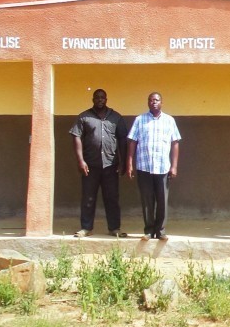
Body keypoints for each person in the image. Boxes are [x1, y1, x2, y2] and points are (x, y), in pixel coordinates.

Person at [69, 89, 128, 238]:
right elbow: (76, 137)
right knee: (88, 198)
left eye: (102, 97)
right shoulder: (84, 117)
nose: (100, 100)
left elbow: (122, 139)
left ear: (106, 99)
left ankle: (114, 228)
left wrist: (123, 162)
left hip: (111, 165)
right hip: (90, 165)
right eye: (97, 97)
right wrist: (81, 160)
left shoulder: (116, 117)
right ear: (93, 99)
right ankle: (86, 228)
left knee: (112, 198)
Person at [126, 92, 181, 241]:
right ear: (147, 103)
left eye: (156, 100)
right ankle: (149, 230)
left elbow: (175, 143)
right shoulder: (140, 120)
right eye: (150, 100)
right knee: (147, 200)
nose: (153, 102)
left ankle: (160, 231)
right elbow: (132, 141)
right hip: (144, 167)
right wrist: (129, 163)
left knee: (162, 200)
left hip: (163, 167)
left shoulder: (169, 121)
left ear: (161, 102)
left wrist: (174, 166)